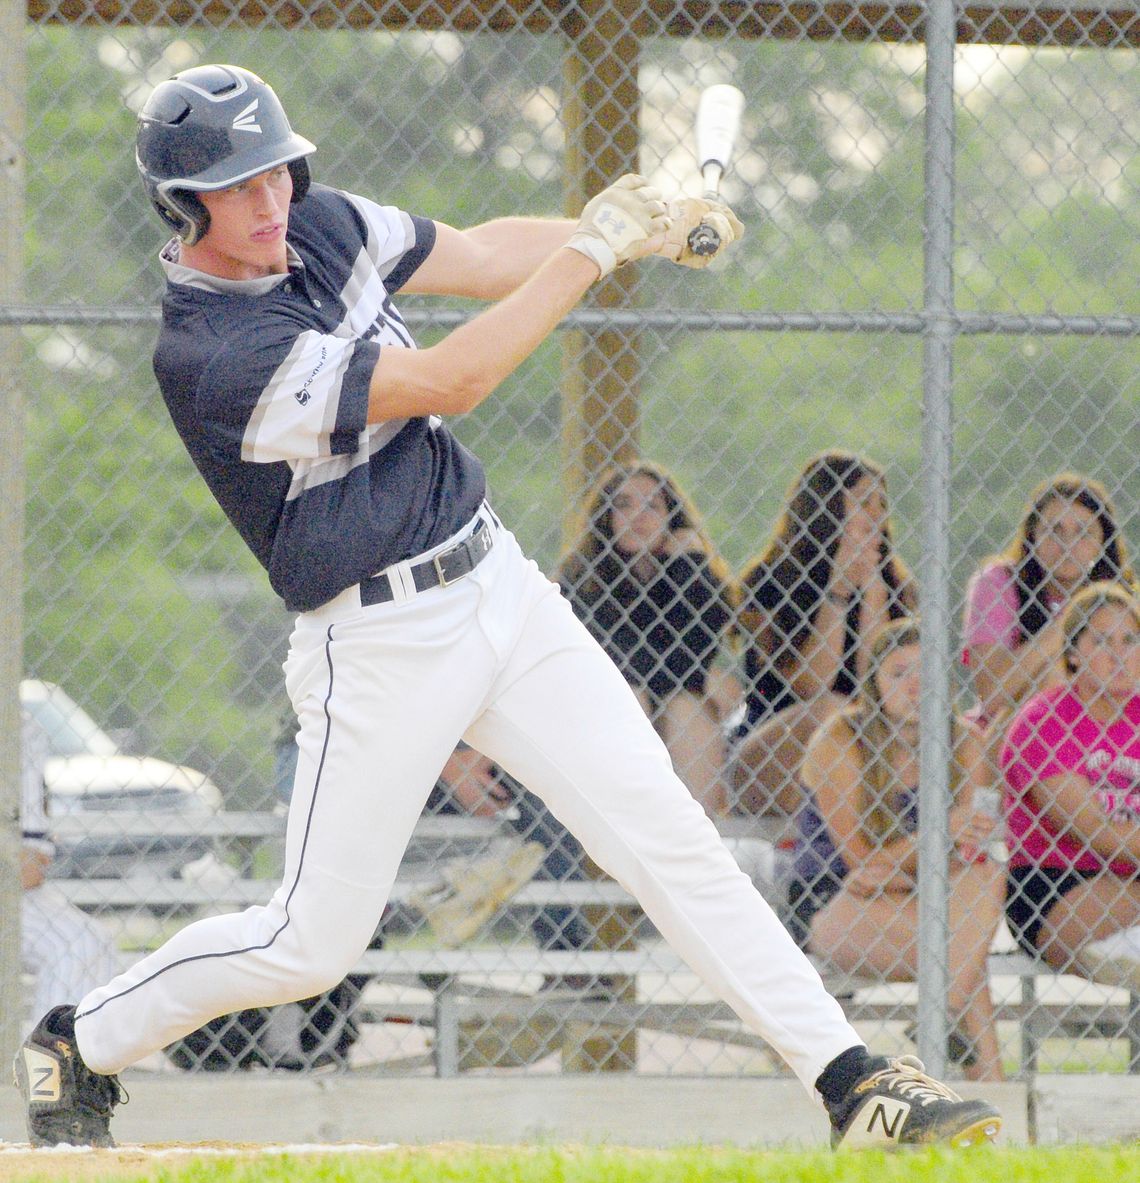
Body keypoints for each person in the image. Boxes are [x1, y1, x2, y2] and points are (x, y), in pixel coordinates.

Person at [14, 64, 999, 1151]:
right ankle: (78, 1035)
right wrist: (593, 249)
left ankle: (853, 1082)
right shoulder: (214, 355)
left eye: (280, 174)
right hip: (375, 640)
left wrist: (640, 229)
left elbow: (481, 254)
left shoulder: (320, 223)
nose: (272, 203)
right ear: (183, 204)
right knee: (309, 940)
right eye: (241, 187)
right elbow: (450, 382)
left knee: (669, 835)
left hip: (499, 586)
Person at [792, 618, 1006, 1082]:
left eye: (926, 674)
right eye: (898, 673)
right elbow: (860, 865)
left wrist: (923, 856)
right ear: (873, 683)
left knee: (987, 873)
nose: (915, 686)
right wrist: (940, 832)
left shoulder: (965, 740)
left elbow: (970, 852)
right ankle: (989, 1096)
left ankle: (943, 1012)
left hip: (925, 897)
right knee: (966, 961)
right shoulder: (841, 739)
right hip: (836, 900)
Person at [732, 450, 917, 819]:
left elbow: (877, 684)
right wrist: (838, 592)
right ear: (827, 509)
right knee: (834, 709)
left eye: (881, 503)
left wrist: (872, 593)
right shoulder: (771, 578)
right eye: (864, 502)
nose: (877, 515)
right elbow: (810, 685)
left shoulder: (895, 585)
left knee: (864, 716)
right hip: (775, 739)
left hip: (867, 738)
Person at [557, 459, 737, 816]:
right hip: (602, 708)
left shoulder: (687, 574)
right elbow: (612, 663)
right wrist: (689, 674)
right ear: (605, 517)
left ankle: (691, 839)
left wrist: (690, 564)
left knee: (687, 707)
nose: (637, 515)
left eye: (651, 505)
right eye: (623, 504)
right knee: (633, 698)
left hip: (672, 707)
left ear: (672, 518)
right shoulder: (581, 580)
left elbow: (698, 653)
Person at [1000, 582, 1140, 992]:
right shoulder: (1044, 721)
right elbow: (1098, 832)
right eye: (1101, 640)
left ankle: (1125, 947)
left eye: (1130, 640)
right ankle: (1121, 947)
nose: (1119, 653)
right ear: (1074, 653)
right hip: (1055, 880)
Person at [962, 471, 1135, 731]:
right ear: (1033, 536)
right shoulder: (999, 582)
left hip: (1105, 735)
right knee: (1057, 673)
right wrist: (1075, 612)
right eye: (1054, 530)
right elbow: (992, 694)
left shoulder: (1124, 600)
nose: (1067, 544)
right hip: (1008, 733)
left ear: (1103, 542)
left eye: (1083, 532)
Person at [18, 709, 119, 1034]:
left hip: (10, 894)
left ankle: (51, 1073)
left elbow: (27, 868)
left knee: (84, 942)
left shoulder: (18, 726)